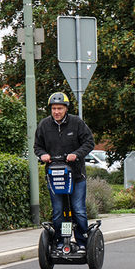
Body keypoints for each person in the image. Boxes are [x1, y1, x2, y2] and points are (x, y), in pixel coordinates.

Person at [34, 92, 95, 253]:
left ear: (66, 109)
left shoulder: (76, 123)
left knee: (78, 210)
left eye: (60, 108)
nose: (56, 112)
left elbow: (89, 142)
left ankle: (82, 242)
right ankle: (60, 242)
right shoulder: (44, 125)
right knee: (58, 211)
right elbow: (37, 146)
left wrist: (77, 154)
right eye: (54, 108)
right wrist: (42, 155)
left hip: (76, 176)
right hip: (54, 176)